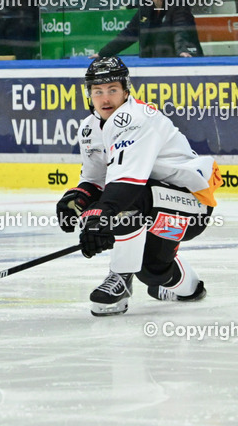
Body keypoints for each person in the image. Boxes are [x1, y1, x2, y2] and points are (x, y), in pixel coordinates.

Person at [55, 56, 221, 316]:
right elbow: (96, 180)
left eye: (112, 89)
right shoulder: (89, 127)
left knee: (125, 202)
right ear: (89, 94)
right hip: (157, 203)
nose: (105, 98)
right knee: (152, 271)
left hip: (193, 206)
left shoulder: (135, 118)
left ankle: (120, 278)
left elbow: (127, 185)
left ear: (126, 90)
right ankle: (190, 288)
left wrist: (99, 218)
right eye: (98, 91)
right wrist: (76, 199)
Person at [97, 0, 204, 58]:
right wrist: (104, 53)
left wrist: (182, 50)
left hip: (180, 59)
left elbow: (181, 28)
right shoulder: (145, 8)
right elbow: (129, 33)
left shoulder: (179, 5)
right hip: (154, 61)